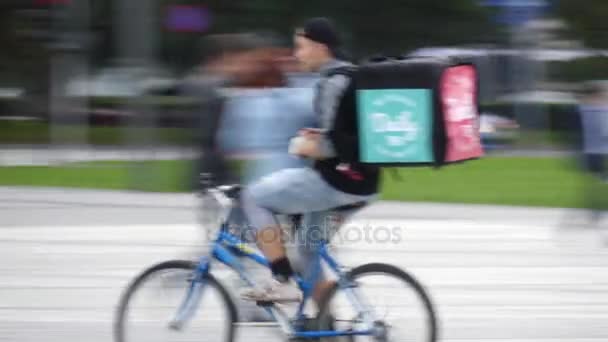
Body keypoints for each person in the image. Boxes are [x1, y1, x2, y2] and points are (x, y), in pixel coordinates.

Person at [240, 17, 380, 303]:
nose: (296, 54)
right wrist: (319, 137)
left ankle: (281, 279)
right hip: (364, 182)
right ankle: (329, 327)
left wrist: (306, 146)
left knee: (252, 198)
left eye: (300, 47)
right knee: (307, 249)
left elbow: (332, 146)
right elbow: (347, 132)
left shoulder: (331, 84)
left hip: (337, 181)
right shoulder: (349, 76)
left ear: (320, 47)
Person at [578, 82, 608, 223]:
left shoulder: (582, 109)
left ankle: (595, 211)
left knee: (596, 183)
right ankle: (596, 210)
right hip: (599, 153)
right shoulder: (600, 111)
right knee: (599, 182)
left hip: (590, 153)